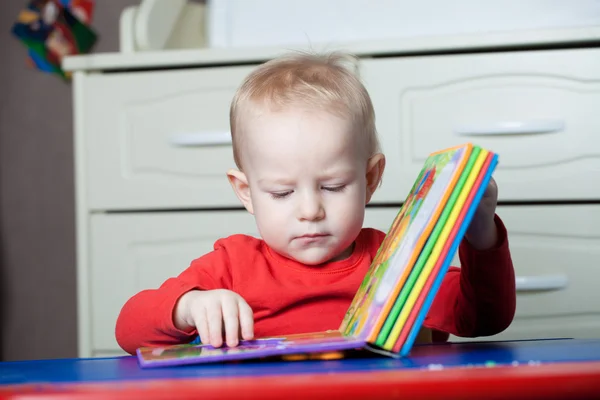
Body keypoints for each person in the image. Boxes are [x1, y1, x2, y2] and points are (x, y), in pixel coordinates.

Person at [115, 51, 516, 355]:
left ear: (370, 178)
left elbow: (481, 318)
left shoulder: (396, 261)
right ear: (245, 193)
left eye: (334, 186)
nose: (310, 211)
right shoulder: (232, 265)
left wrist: (480, 229)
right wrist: (189, 306)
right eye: (282, 193)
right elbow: (129, 328)